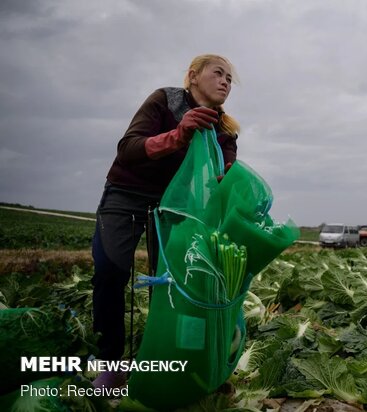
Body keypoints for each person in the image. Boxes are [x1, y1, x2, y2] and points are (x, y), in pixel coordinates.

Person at [90, 54, 240, 389]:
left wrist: (229, 182)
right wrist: (178, 134)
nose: (226, 82)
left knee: (173, 282)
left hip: (175, 206)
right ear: (193, 76)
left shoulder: (225, 130)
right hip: (127, 192)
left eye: (230, 79)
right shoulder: (164, 100)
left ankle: (165, 361)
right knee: (111, 271)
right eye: (218, 74)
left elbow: (222, 177)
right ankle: (111, 363)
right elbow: (128, 148)